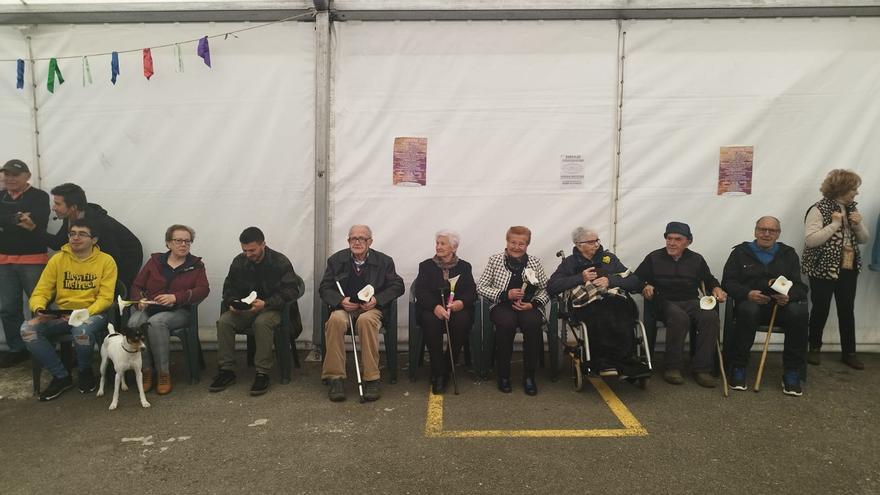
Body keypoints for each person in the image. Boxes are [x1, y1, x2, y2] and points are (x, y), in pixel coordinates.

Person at [20, 218, 117, 401]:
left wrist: (83, 313)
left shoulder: (106, 261)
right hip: (61, 314)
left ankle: (84, 370)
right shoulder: (58, 259)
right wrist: (39, 308)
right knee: (28, 330)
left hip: (92, 314)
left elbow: (105, 298)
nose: (75, 238)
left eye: (82, 234)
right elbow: (41, 291)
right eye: (72, 234)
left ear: (94, 239)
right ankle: (61, 376)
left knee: (82, 330)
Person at [209, 227, 303, 396]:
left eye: (252, 250)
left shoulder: (280, 261)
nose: (248, 254)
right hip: (247, 308)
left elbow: (292, 290)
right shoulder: (239, 261)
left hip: (273, 308)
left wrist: (266, 303)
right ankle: (226, 370)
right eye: (244, 250)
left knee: (262, 322)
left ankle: (262, 372)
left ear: (263, 244)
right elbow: (229, 287)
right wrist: (232, 302)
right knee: (224, 321)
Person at [721, 216, 809, 396]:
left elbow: (800, 287)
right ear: (755, 231)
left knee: (798, 312)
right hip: (751, 306)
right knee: (748, 309)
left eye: (772, 230)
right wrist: (747, 294)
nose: (766, 234)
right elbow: (728, 282)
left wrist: (789, 296)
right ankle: (739, 366)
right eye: (762, 229)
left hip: (780, 308)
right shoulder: (740, 252)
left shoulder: (788, 253)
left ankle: (792, 371)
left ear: (778, 234)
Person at [547, 227, 649, 380]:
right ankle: (603, 362)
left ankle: (627, 361)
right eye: (591, 242)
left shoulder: (609, 259)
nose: (596, 244)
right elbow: (552, 286)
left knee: (622, 312)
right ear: (578, 244)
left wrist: (611, 280)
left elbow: (634, 281)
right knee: (600, 314)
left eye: (597, 240)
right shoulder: (570, 262)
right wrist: (580, 278)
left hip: (613, 299)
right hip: (585, 304)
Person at [634, 221, 727, 388]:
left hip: (691, 301)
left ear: (688, 241)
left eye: (677, 239)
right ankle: (672, 366)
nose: (672, 243)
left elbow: (709, 279)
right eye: (669, 238)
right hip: (664, 302)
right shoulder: (654, 257)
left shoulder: (696, 259)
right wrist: (644, 285)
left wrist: (716, 287)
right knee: (679, 317)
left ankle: (702, 369)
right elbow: (637, 279)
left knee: (710, 317)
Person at [319, 225, 404, 402]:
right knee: (334, 320)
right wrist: (340, 301)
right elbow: (324, 288)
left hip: (370, 309)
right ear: (348, 241)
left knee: (366, 321)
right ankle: (335, 378)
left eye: (362, 239)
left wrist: (377, 300)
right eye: (353, 239)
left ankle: (372, 378)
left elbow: (397, 286)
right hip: (344, 308)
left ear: (370, 242)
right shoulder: (336, 260)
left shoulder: (384, 261)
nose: (357, 242)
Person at [127, 224, 210, 395]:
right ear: (168, 243)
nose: (183, 245)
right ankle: (146, 371)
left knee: (156, 322)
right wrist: (139, 301)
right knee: (135, 321)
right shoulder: (155, 262)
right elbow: (137, 285)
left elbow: (203, 289)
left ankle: (164, 373)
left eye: (187, 241)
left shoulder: (196, 265)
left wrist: (176, 297)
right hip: (150, 308)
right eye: (178, 240)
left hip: (178, 311)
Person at [802, 169, 870, 370]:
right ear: (840, 188)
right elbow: (811, 240)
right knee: (820, 308)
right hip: (822, 268)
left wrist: (857, 225)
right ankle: (814, 348)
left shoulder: (852, 209)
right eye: (853, 189)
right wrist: (833, 225)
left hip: (848, 268)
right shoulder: (818, 208)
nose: (856, 193)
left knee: (847, 310)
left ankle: (849, 353)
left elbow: (864, 239)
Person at [19, 182, 143, 290]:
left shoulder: (99, 223)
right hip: (109, 257)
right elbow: (57, 243)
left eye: (57, 204)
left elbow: (112, 256)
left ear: (73, 207)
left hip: (127, 257)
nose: (53, 208)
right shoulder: (70, 218)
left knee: (115, 295)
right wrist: (33, 228)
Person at [477, 226, 550, 396]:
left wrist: (534, 303)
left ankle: (529, 377)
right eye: (513, 242)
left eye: (521, 244)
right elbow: (481, 287)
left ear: (527, 245)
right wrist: (504, 294)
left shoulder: (535, 262)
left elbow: (546, 289)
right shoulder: (495, 260)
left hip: (527, 305)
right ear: (507, 242)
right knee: (506, 324)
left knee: (533, 324)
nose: (516, 247)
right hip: (502, 305)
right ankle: (503, 376)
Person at [414, 229, 477, 394]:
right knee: (430, 321)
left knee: (462, 320)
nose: (438, 246)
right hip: (432, 309)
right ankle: (438, 370)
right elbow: (421, 291)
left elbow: (471, 291)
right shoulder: (426, 266)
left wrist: (460, 303)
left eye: (443, 243)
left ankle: (448, 366)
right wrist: (435, 307)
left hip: (456, 309)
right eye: (437, 243)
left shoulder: (464, 267)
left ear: (454, 248)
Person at [0, 160, 50, 368]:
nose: (9, 178)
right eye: (6, 174)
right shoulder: (1, 195)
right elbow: (23, 222)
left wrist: (6, 221)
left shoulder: (40, 196)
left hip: (33, 260)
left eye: (14, 175)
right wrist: (17, 218)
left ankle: (42, 347)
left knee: (39, 307)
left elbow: (37, 222)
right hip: (4, 260)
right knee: (8, 307)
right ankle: (17, 349)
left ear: (27, 176)